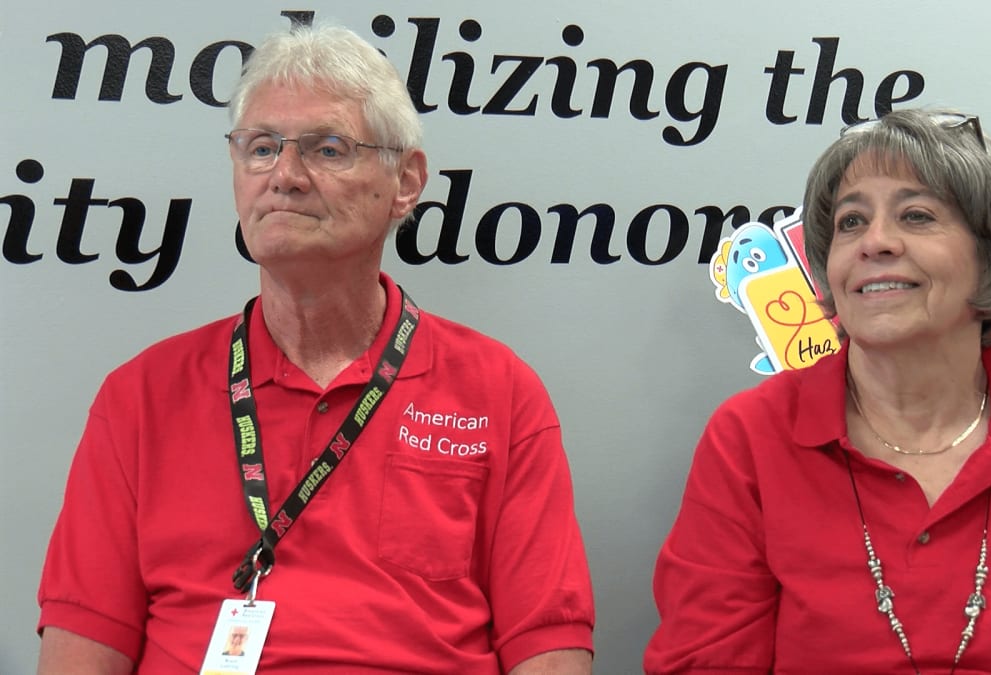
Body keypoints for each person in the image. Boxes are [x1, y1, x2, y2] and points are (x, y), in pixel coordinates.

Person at [36, 23, 593, 674]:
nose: (286, 176)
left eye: (327, 149)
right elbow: (80, 648)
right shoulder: (140, 397)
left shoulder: (499, 391)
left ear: (406, 182)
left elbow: (548, 650)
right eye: (262, 148)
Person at [644, 109, 991, 673]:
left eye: (916, 215)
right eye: (851, 222)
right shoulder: (751, 436)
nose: (876, 242)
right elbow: (703, 660)